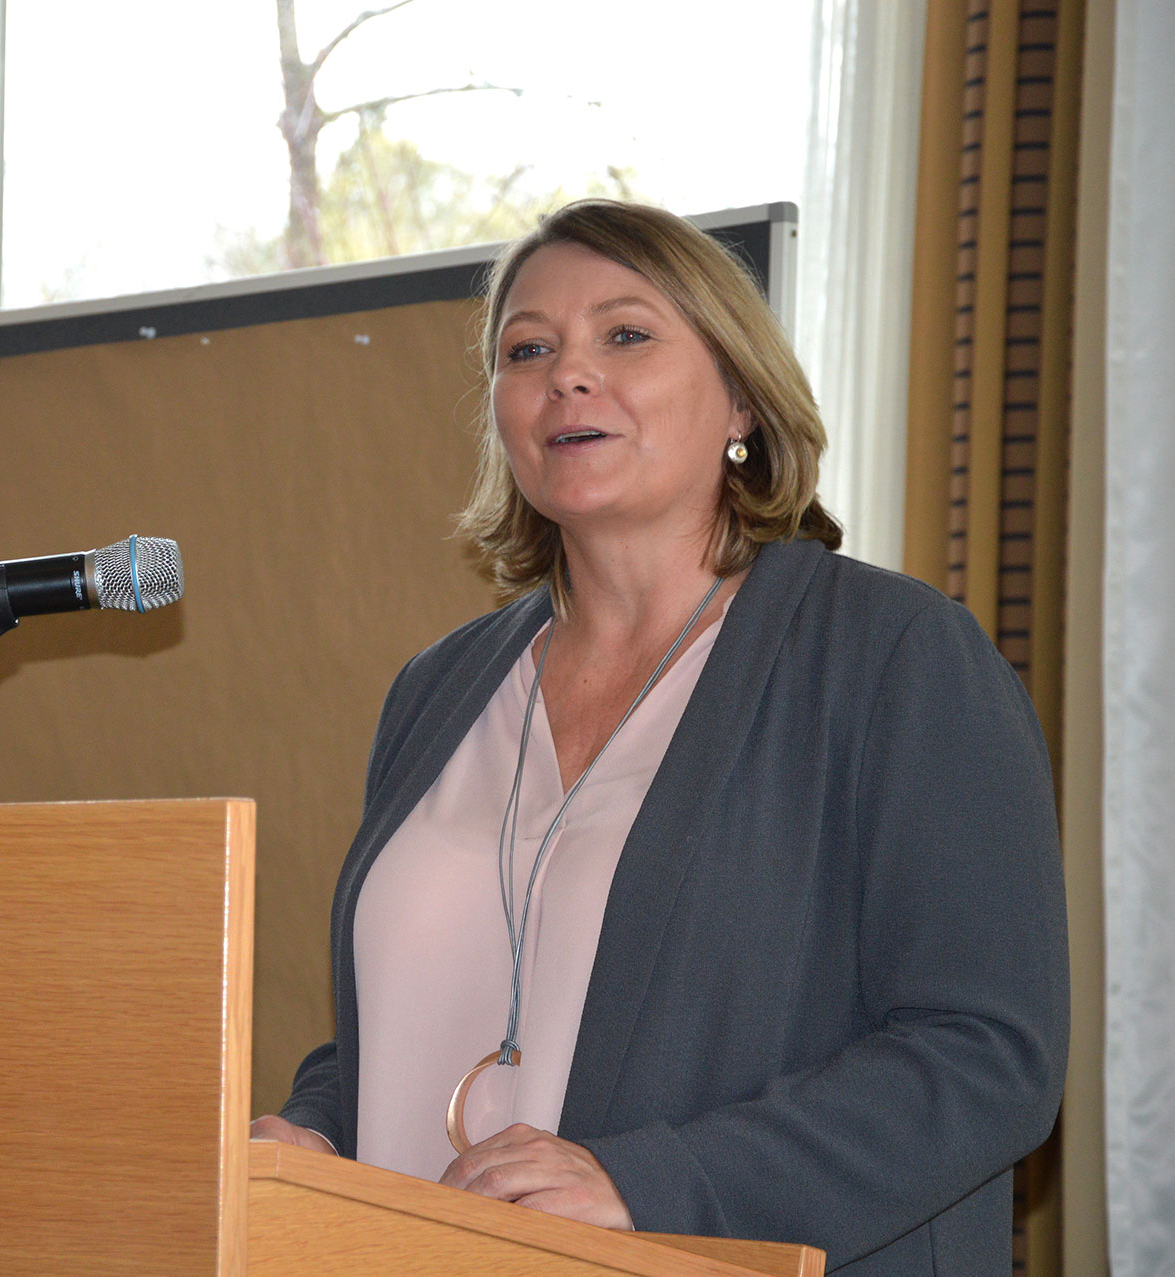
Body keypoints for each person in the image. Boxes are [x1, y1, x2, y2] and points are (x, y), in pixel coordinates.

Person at [249, 199, 1069, 1274]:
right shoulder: (438, 690)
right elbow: (410, 1018)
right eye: (527, 349)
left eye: (625, 334)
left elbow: (989, 1055)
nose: (567, 375)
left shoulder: (892, 655)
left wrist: (654, 1180)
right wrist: (316, 1129)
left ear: (742, 396)